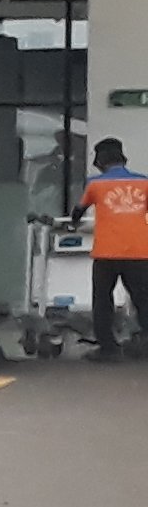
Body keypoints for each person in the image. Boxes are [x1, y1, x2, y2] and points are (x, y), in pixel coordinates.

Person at [89, 137, 148, 357]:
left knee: (103, 300)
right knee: (144, 299)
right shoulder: (144, 182)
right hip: (139, 251)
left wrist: (73, 223)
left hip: (106, 252)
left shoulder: (94, 184)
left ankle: (108, 348)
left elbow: (78, 210)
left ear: (100, 161)